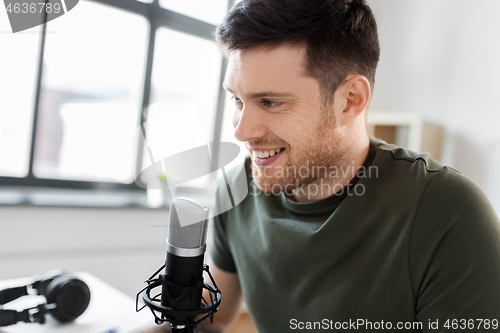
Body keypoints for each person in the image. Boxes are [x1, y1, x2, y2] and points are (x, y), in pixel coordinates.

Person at [138, 0, 500, 332]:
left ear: (349, 101)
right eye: (237, 100)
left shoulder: (449, 214)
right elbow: (218, 309)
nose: (241, 131)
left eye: (271, 102)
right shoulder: (236, 187)